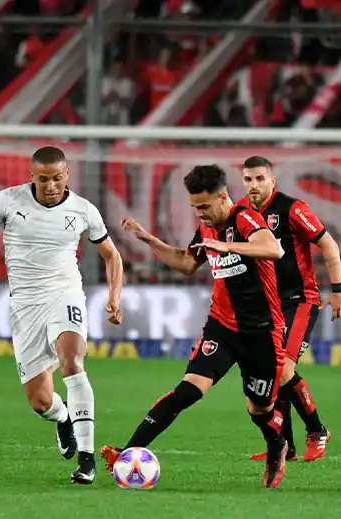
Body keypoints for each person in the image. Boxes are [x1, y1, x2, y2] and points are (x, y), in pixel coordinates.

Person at [104, 164, 290, 488]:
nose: (199, 214)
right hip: (222, 327)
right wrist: (149, 240)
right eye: (195, 207)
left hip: (262, 331)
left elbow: (273, 248)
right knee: (187, 390)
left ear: (223, 197)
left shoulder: (245, 218)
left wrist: (227, 246)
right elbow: (188, 263)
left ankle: (277, 445)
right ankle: (129, 450)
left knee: (259, 408)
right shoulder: (206, 228)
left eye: (204, 207)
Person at [0, 146, 123, 485]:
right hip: (25, 306)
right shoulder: (7, 201)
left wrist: (114, 296)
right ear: (31, 176)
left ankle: (87, 458)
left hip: (65, 294)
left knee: (72, 363)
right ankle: (63, 417)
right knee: (40, 401)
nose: (51, 186)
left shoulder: (83, 210)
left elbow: (111, 255)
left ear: (67, 175)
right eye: (44, 179)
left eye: (57, 178)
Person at [240, 156, 341, 462]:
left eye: (260, 179)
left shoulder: (291, 209)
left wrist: (337, 289)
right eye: (248, 179)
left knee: (283, 369)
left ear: (272, 180)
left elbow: (328, 244)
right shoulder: (242, 213)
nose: (254, 185)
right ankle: (285, 447)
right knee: (270, 373)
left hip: (300, 300)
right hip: (267, 305)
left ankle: (317, 430)